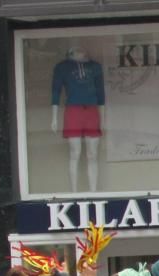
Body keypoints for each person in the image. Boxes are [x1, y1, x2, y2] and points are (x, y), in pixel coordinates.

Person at [51, 47, 105, 191]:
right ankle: (74, 191)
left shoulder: (95, 66)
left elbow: (100, 94)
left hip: (92, 110)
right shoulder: (62, 67)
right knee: (75, 153)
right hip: (73, 110)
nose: (83, 51)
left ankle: (93, 191)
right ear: (71, 52)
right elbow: (56, 91)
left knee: (92, 154)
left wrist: (103, 119)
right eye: (78, 49)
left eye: (83, 48)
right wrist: (54, 118)